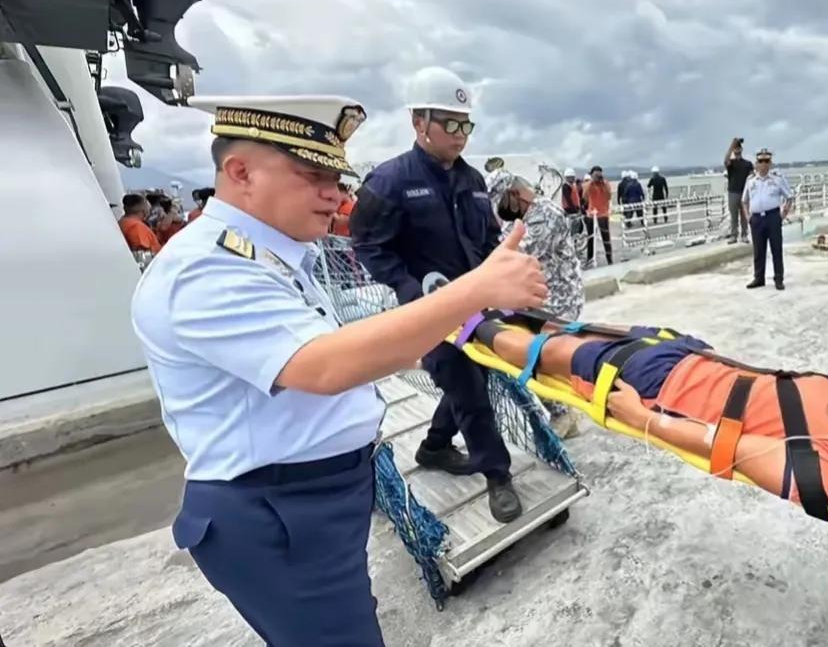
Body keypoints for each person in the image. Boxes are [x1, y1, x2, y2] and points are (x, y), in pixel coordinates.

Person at [131, 94, 547, 646]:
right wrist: (478, 288)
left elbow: (347, 352)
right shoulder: (204, 270)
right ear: (240, 171)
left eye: (337, 175)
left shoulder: (272, 253)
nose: (336, 193)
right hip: (279, 512)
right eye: (313, 175)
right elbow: (326, 366)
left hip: (314, 499)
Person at [468, 315, 828, 511]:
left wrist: (643, 420)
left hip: (667, 387)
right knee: (582, 332)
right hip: (703, 358)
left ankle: (474, 327)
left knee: (560, 357)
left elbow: (724, 449)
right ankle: (507, 313)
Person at [350, 66, 524, 522]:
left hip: (477, 305)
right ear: (418, 122)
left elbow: (487, 241)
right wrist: (411, 290)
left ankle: (434, 446)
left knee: (475, 378)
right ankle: (498, 475)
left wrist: (502, 286)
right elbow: (368, 245)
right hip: (428, 314)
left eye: (466, 124)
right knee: (468, 388)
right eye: (450, 123)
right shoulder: (389, 183)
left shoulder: (472, 182)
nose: (460, 134)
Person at [486, 170, 585, 439]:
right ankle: (565, 412)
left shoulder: (546, 215)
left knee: (538, 359)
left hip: (560, 300)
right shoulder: (521, 217)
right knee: (532, 358)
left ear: (514, 195)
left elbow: (516, 256)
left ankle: (564, 413)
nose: (499, 211)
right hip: (534, 301)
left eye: (501, 203)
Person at [742, 147, 793, 290]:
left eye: (766, 161)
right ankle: (759, 278)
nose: (763, 164)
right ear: (756, 163)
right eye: (760, 161)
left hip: (772, 217)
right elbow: (744, 200)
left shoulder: (777, 179)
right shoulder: (751, 180)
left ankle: (778, 279)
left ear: (770, 163)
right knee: (758, 250)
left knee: (776, 249)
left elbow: (789, 197)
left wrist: (783, 215)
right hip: (757, 218)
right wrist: (748, 217)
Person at [723, 137, 752, 244]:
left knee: (744, 216)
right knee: (733, 216)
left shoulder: (748, 164)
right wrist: (732, 144)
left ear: (741, 150)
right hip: (732, 192)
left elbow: (752, 177)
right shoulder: (731, 163)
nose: (737, 150)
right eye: (735, 149)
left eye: (738, 148)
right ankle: (734, 235)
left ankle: (744, 235)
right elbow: (725, 160)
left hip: (744, 192)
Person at [584, 165, 614, 266]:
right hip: (592, 215)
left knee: (606, 237)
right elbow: (585, 195)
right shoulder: (589, 185)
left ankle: (609, 258)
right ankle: (589, 258)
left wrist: (603, 184)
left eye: (599, 175)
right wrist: (592, 181)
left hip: (603, 214)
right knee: (591, 238)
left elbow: (609, 196)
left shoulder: (605, 184)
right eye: (595, 175)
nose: (597, 177)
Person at [560, 167, 584, 236]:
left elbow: (578, 198)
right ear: (567, 178)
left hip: (575, 210)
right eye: (571, 177)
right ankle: (573, 242)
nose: (573, 179)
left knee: (579, 228)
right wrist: (575, 210)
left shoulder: (573, 186)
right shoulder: (565, 187)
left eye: (573, 177)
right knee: (574, 228)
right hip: (569, 210)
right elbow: (568, 200)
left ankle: (575, 241)